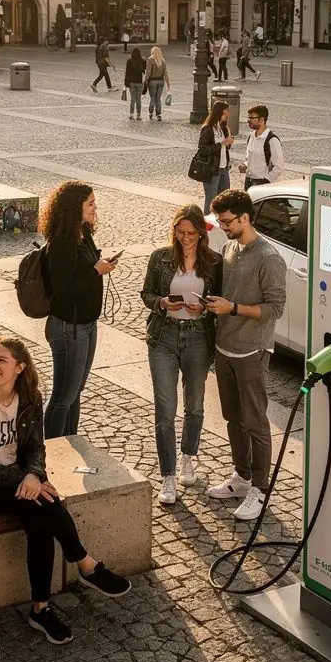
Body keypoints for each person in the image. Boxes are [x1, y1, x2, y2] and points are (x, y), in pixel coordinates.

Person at [0, 335, 130, 644]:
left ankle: (40, 609)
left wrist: (34, 474)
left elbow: (36, 448)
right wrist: (25, 480)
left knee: (40, 521)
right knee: (45, 502)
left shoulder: (30, 397)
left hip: (20, 484)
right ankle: (86, 565)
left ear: (19, 367)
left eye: (1, 360)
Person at [204, 189, 287, 522]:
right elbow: (227, 294)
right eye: (221, 222)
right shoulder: (228, 247)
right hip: (224, 347)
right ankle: (241, 478)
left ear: (244, 217)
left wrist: (233, 308)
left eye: (227, 222)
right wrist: (210, 304)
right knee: (233, 418)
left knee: (255, 422)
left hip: (252, 351)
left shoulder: (269, 258)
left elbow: (275, 308)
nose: (223, 227)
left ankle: (260, 489)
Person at [141, 205, 223, 506]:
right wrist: (161, 302)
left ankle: (188, 456)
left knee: (196, 406)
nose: (186, 238)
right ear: (174, 230)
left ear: (202, 234)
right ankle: (168, 475)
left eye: (192, 233)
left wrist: (203, 308)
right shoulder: (160, 257)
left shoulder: (214, 262)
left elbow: (219, 301)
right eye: (181, 232)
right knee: (165, 410)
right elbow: (146, 294)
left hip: (198, 337)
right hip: (163, 336)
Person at [41, 181, 118, 438]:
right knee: (63, 396)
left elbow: (84, 271)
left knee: (75, 393)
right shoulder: (62, 242)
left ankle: (70, 442)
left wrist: (99, 265)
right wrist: (96, 270)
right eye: (91, 203)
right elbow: (65, 290)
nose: (95, 207)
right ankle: (50, 451)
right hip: (68, 326)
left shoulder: (83, 233)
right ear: (75, 208)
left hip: (86, 323)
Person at [196, 98, 233, 213]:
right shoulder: (207, 129)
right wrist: (221, 144)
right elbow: (202, 149)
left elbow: (225, 148)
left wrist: (228, 139)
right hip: (212, 170)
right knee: (211, 201)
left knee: (225, 201)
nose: (228, 115)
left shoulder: (222, 128)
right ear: (219, 113)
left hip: (224, 169)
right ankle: (206, 227)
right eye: (226, 113)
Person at [239, 104, 285, 189]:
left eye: (251, 118)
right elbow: (249, 158)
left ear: (261, 119)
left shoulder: (272, 140)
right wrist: (245, 165)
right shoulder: (251, 136)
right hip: (248, 181)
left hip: (261, 182)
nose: (248, 121)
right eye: (248, 118)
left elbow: (279, 166)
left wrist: (266, 181)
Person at [144, 44, 170, 121]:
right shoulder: (162, 60)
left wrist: (145, 80)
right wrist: (168, 83)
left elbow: (148, 72)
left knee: (152, 98)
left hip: (152, 81)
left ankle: (150, 113)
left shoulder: (150, 60)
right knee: (158, 98)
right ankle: (159, 114)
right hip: (161, 81)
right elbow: (166, 73)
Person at [124, 46, 145, 121]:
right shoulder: (142, 61)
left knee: (133, 99)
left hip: (132, 82)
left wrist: (126, 83)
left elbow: (127, 73)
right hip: (139, 82)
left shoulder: (129, 61)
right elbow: (144, 71)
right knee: (138, 99)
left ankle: (131, 114)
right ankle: (138, 115)